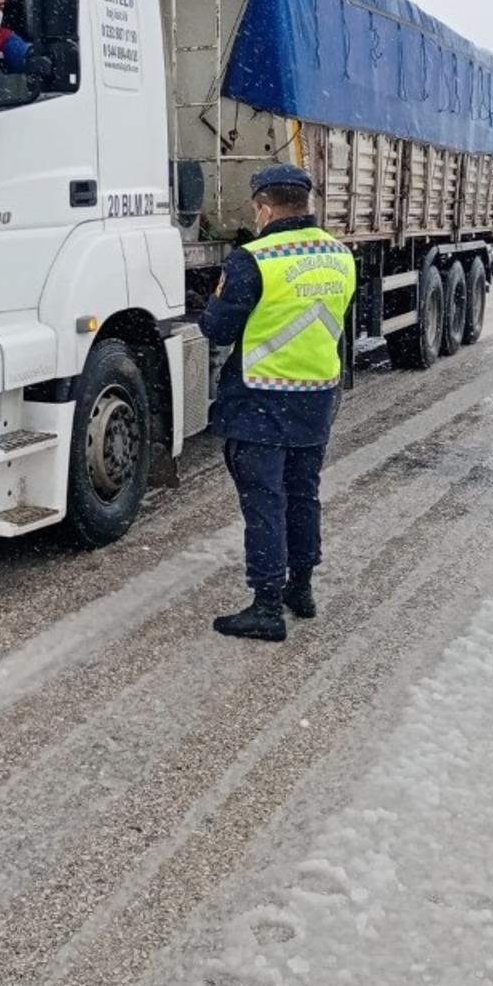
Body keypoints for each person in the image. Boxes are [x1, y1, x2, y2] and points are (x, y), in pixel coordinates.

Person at [200, 164, 357, 642]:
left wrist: (212, 308)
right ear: (306, 204)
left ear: (263, 207)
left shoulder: (253, 259)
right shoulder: (340, 254)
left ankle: (266, 605)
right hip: (316, 398)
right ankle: (301, 589)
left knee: (264, 502)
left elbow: (220, 329)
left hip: (261, 399)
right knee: (302, 494)